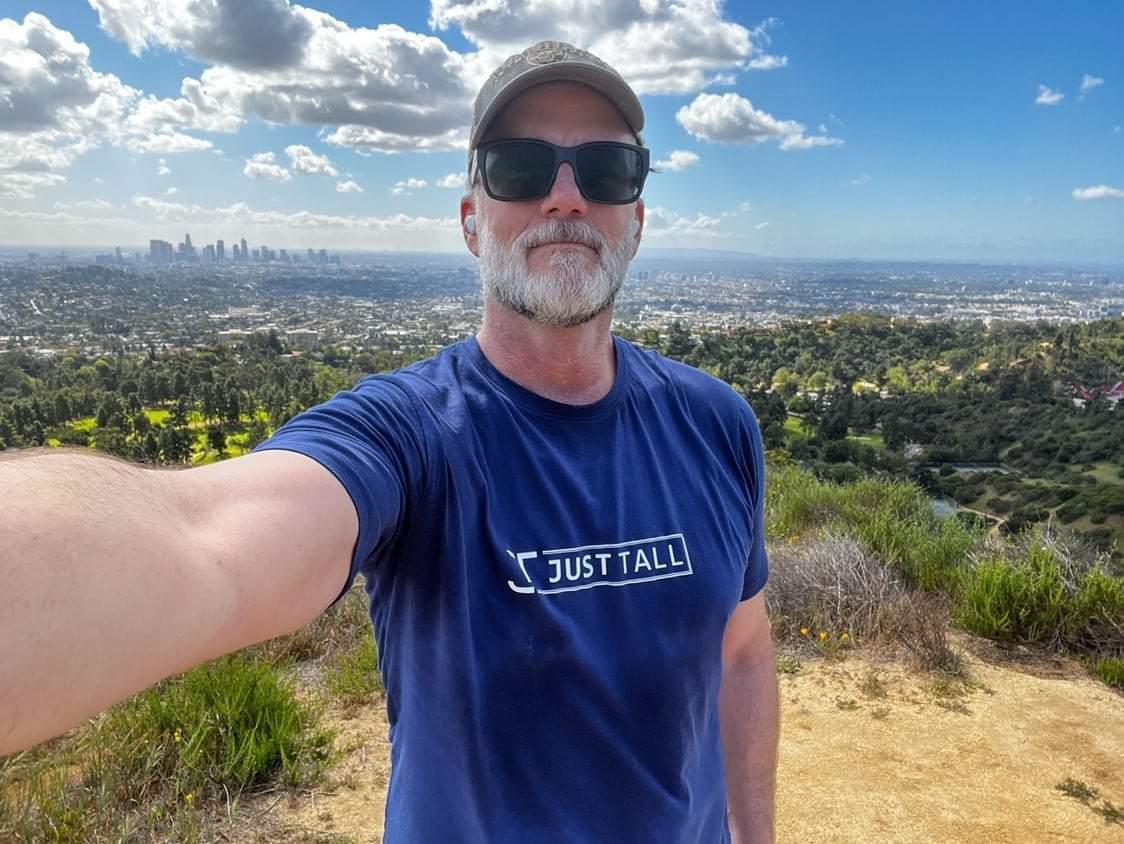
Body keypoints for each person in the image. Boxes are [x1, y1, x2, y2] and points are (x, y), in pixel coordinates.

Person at [0, 41, 778, 843]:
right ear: (472, 221)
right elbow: (205, 541)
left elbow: (744, 652)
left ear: (637, 220)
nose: (565, 198)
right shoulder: (412, 438)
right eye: (520, 166)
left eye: (607, 170)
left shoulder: (717, 423)